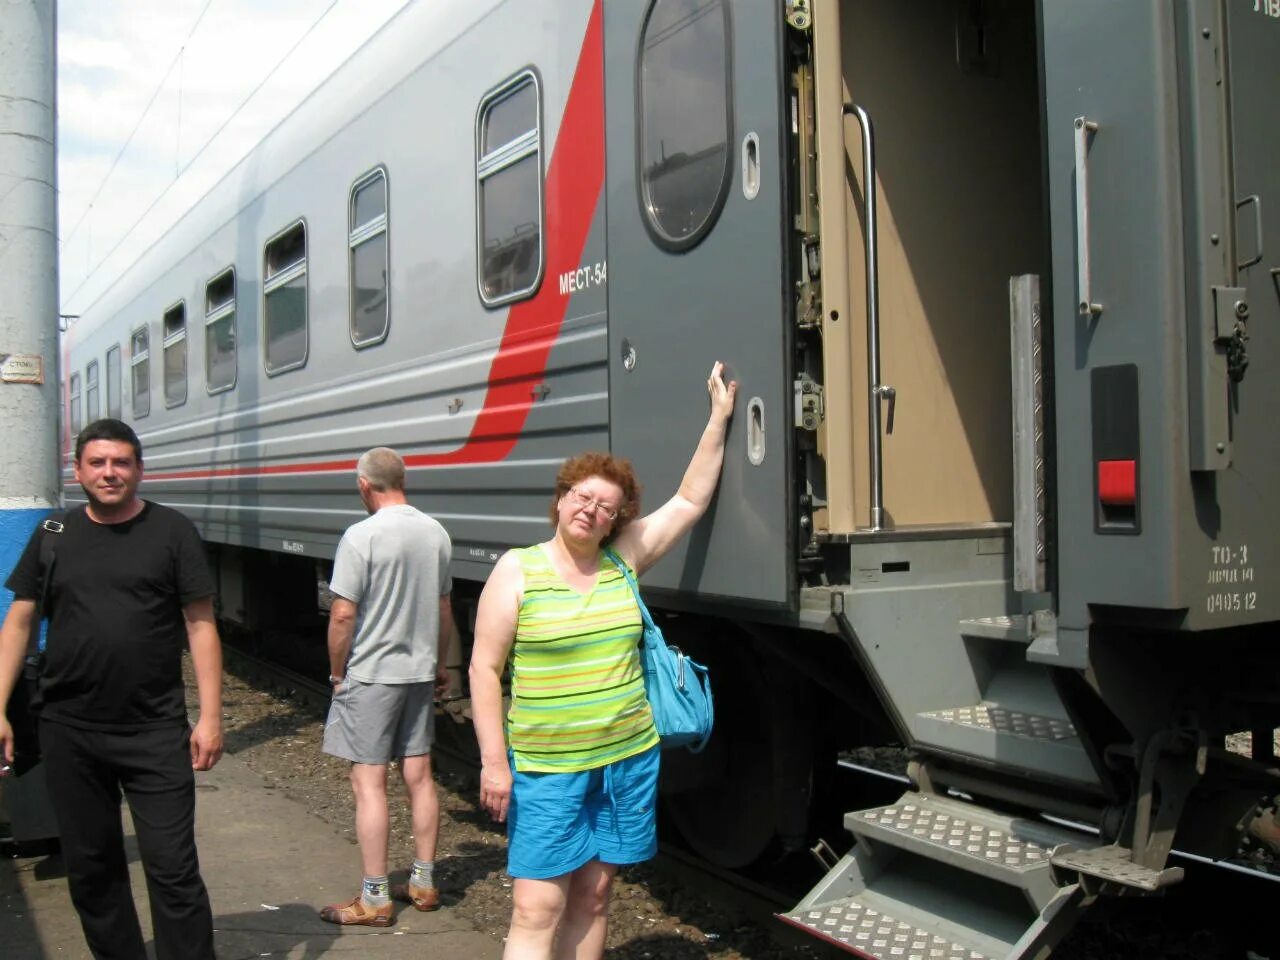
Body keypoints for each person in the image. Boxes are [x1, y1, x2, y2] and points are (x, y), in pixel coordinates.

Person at [469, 361, 737, 960]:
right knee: (537, 905)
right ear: (561, 500)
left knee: (593, 896)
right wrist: (494, 764)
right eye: (582, 497)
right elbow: (484, 670)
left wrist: (718, 417)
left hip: (625, 759)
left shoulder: (623, 562)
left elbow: (690, 499)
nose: (591, 511)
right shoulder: (518, 570)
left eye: (607, 507)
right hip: (548, 767)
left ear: (618, 519)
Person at [0, 417, 224, 960]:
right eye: (97, 463)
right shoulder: (53, 535)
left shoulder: (172, 533)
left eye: (121, 462)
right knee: (93, 870)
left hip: (153, 729)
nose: (109, 473)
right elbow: (19, 621)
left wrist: (211, 716)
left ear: (139, 470)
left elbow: (201, 625)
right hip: (68, 729)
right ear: (77, 471)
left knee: (172, 868)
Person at [318, 446, 456, 927]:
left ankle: (375, 897)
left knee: (368, 781)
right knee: (419, 776)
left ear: (364, 485)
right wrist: (439, 663)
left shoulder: (361, 536)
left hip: (372, 676)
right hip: (418, 673)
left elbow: (342, 613)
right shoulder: (435, 532)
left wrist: (338, 673)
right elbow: (442, 608)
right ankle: (423, 880)